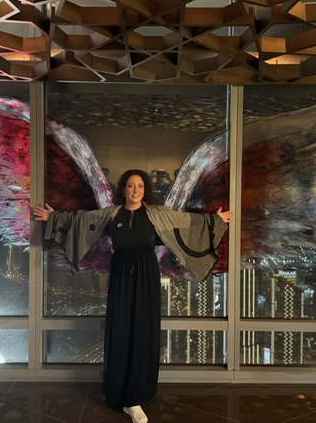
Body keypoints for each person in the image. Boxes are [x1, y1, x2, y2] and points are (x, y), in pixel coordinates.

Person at [33, 169, 231, 423]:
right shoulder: (112, 213)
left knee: (142, 330)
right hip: (120, 279)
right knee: (120, 330)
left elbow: (188, 222)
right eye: (130, 185)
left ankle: (135, 397)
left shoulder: (156, 214)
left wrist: (215, 221)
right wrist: (53, 217)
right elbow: (81, 220)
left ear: (144, 190)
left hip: (147, 278)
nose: (135, 190)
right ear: (124, 189)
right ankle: (119, 392)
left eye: (139, 186)